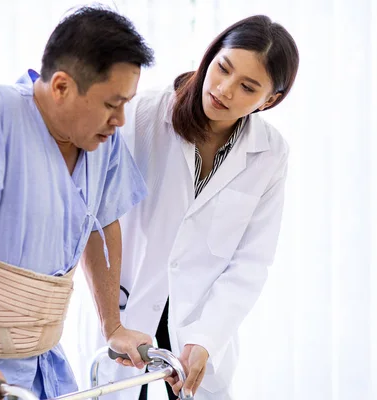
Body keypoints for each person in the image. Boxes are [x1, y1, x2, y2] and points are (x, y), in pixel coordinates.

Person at [0, 5, 155, 399]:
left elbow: (100, 225)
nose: (121, 120)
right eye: (112, 104)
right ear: (61, 86)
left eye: (126, 103)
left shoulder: (101, 142)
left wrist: (113, 326)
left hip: (44, 361)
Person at [69, 14, 300, 400]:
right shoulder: (143, 115)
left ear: (269, 100)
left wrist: (207, 339)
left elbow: (250, 261)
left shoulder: (270, 153)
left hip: (198, 324)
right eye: (222, 68)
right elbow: (83, 207)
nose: (224, 90)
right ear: (210, 57)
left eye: (247, 87)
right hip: (127, 313)